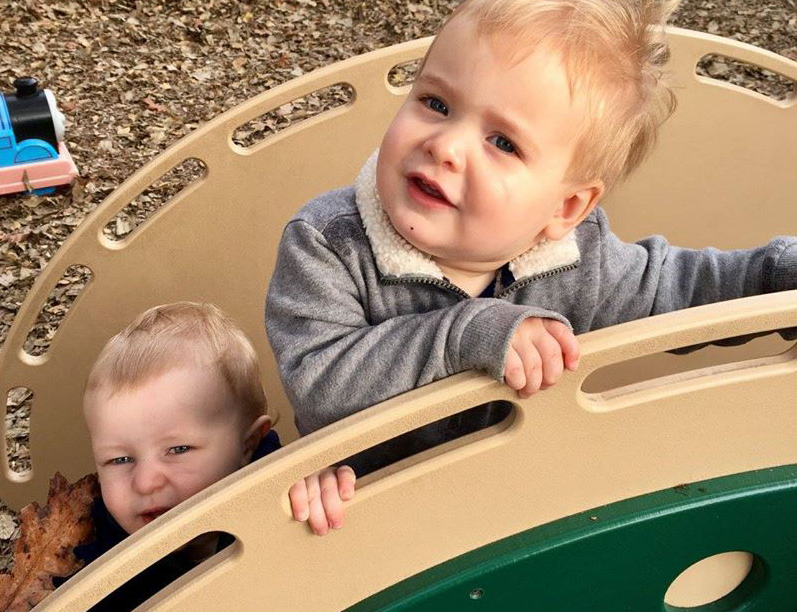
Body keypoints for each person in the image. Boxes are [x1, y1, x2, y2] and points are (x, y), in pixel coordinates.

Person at [266, 0, 797, 476]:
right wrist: (465, 335)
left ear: (564, 208)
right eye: (436, 103)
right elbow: (321, 387)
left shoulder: (579, 261)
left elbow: (685, 291)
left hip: (518, 506)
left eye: (502, 142)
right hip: (364, 516)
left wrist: (779, 276)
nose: (446, 146)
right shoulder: (328, 244)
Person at [54, 302, 353, 610]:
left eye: (178, 450)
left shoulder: (285, 495)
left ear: (247, 445)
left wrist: (321, 491)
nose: (145, 483)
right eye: (120, 460)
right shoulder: (88, 554)